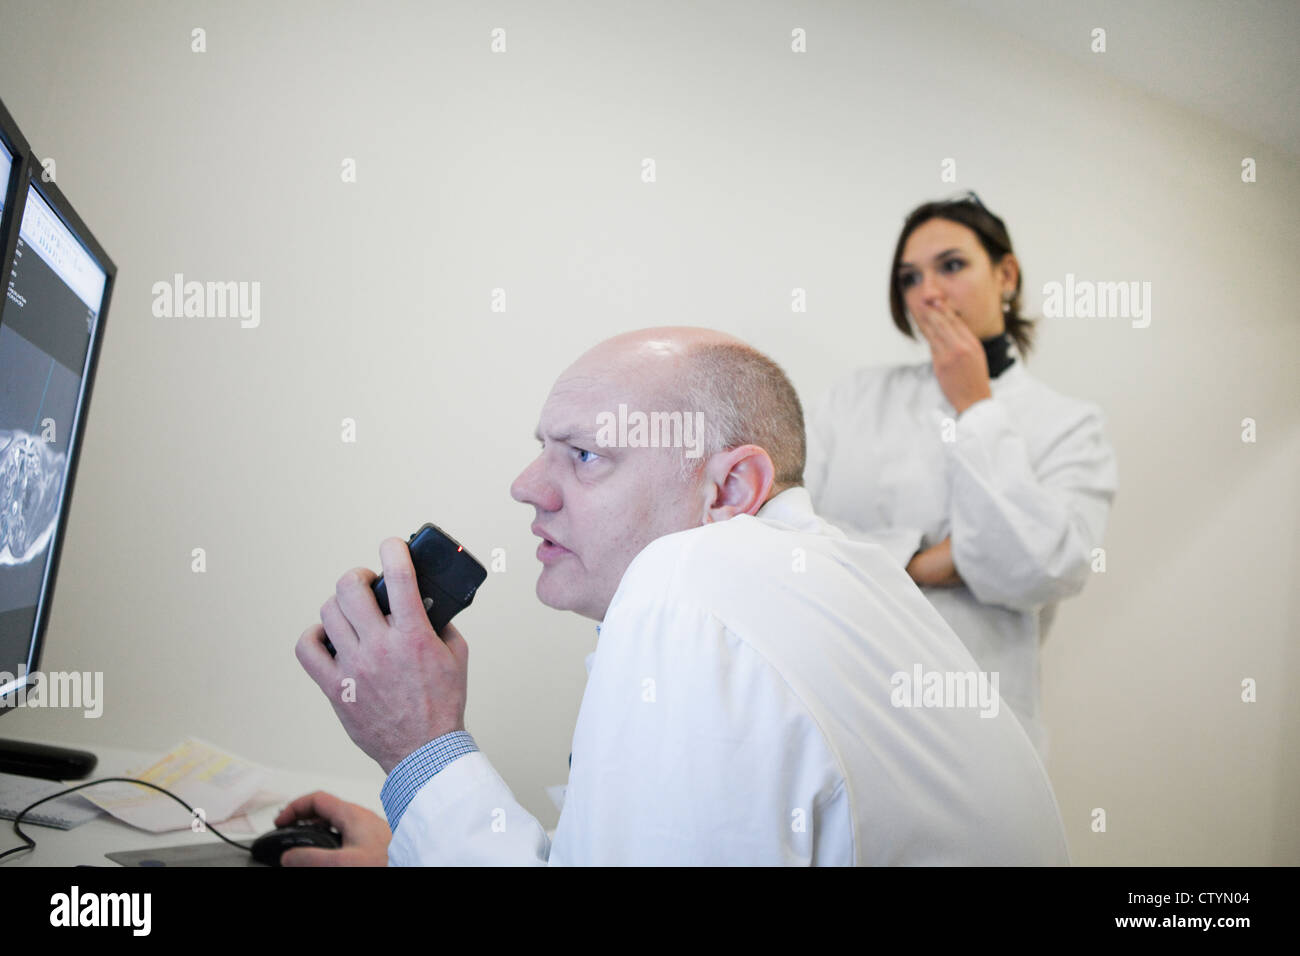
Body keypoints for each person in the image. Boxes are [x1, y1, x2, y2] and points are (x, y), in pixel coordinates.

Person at [285, 327, 1070, 865]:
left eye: (586, 455)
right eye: (542, 453)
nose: (527, 489)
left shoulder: (689, 583)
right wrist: (414, 843)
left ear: (730, 487)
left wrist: (419, 747)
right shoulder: (835, 581)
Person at [805, 193, 1119, 759]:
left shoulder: (1070, 425)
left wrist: (975, 406)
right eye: (909, 278)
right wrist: (923, 561)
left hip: (981, 732)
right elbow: (796, 540)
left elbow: (1045, 566)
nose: (928, 293)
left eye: (951, 265)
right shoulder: (852, 398)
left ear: (1006, 275)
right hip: (841, 707)